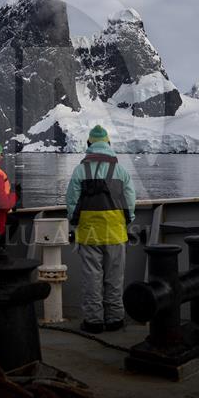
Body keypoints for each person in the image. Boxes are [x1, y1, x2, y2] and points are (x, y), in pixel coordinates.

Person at [65, 125, 136, 334]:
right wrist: (128, 220)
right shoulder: (120, 170)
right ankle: (115, 319)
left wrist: (74, 221)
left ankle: (93, 322)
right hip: (115, 232)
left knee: (92, 279)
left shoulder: (80, 170)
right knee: (114, 278)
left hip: (89, 233)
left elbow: (71, 201)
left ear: (89, 145)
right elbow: (130, 200)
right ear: (108, 145)